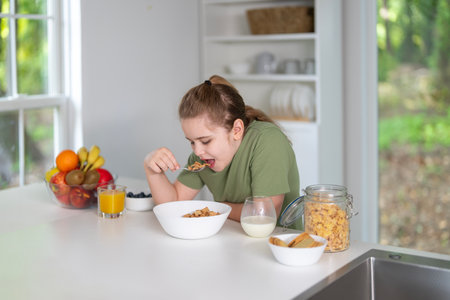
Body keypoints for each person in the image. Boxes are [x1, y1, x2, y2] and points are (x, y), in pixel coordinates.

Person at [144, 75, 300, 225]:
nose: (197, 151)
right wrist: (151, 168)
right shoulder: (202, 157)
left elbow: (262, 215)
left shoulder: (267, 141)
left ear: (237, 130)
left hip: (280, 243)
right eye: (192, 142)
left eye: (205, 141)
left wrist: (217, 208)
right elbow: (173, 204)